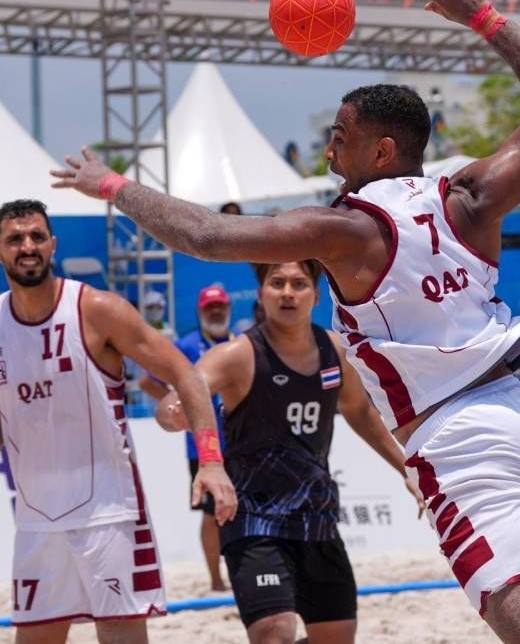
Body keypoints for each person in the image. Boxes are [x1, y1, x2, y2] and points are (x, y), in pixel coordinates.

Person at [53, 0, 520, 642]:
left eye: (340, 139)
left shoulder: (349, 229)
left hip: (457, 432)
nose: (329, 152)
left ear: (381, 152)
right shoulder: (469, 195)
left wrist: (113, 186)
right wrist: (483, 16)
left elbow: (209, 235)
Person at [0, 199, 236, 644]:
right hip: (37, 517)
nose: (28, 246)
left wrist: (210, 459)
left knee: (120, 636)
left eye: (37, 236)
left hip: (108, 512)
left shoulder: (96, 308)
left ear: (53, 245)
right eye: (15, 239)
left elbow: (185, 374)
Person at [157, 260, 421, 644]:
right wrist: (173, 413)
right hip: (253, 518)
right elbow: (177, 399)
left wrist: (406, 470)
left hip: (316, 517)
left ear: (316, 296)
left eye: (298, 284)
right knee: (274, 631)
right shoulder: (238, 355)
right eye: (276, 282)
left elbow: (360, 412)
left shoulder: (334, 351)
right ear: (260, 294)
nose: (287, 292)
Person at [139, 284, 234, 592]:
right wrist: (181, 409)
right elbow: (147, 382)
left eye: (220, 306)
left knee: (243, 511)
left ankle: (241, 574)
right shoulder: (186, 345)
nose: (215, 311)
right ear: (199, 311)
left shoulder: (240, 343)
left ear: (229, 308)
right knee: (211, 513)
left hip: (243, 443)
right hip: (203, 446)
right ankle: (216, 580)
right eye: (209, 307)